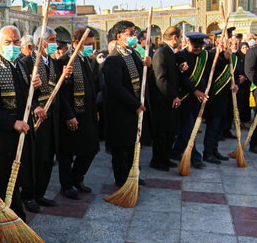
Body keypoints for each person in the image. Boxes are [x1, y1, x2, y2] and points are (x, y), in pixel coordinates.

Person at [0, 26, 42, 225]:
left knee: (16, 175)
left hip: (23, 129)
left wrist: (36, 92)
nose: (13, 46)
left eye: (16, 42)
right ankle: (17, 219)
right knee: (8, 177)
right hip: (4, 134)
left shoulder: (21, 66)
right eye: (8, 42)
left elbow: (27, 98)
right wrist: (12, 122)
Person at [20, 26, 71, 208]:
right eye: (51, 40)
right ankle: (28, 195)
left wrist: (65, 78)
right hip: (35, 120)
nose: (54, 44)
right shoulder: (26, 63)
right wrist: (35, 106)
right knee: (35, 159)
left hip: (52, 118)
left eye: (55, 40)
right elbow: (21, 92)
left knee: (48, 158)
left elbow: (59, 91)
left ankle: (40, 193)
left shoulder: (54, 62)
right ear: (40, 42)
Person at [103, 21, 150, 186]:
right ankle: (122, 180)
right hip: (121, 112)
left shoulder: (133, 54)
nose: (133, 37)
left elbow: (140, 77)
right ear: (119, 36)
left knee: (133, 146)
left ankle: (133, 175)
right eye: (130, 34)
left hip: (134, 109)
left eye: (134, 33)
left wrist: (147, 66)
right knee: (121, 148)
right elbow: (116, 88)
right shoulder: (114, 59)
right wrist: (134, 105)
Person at [55, 28, 99, 199]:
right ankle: (67, 184)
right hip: (73, 114)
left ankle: (77, 178)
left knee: (90, 149)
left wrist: (94, 110)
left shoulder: (86, 59)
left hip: (87, 112)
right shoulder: (65, 61)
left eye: (91, 44)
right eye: (86, 44)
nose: (89, 47)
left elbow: (92, 87)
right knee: (68, 152)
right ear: (76, 42)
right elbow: (61, 92)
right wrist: (68, 115)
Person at [171, 32, 223, 168]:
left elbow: (218, 66)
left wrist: (225, 56)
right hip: (186, 97)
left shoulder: (205, 55)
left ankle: (176, 152)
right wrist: (195, 91)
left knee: (187, 129)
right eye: (195, 46)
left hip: (200, 99)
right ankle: (195, 157)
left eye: (200, 46)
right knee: (189, 129)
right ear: (188, 42)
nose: (198, 49)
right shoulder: (180, 56)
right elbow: (181, 78)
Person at [148, 27, 183, 171]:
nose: (181, 41)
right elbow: (160, 78)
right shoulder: (161, 53)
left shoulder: (169, 52)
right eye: (180, 38)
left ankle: (165, 158)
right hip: (162, 101)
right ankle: (158, 160)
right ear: (174, 38)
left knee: (169, 132)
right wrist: (172, 96)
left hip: (169, 101)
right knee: (161, 134)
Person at [202, 31, 235, 164]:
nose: (230, 45)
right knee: (212, 128)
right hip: (214, 99)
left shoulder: (233, 57)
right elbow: (213, 71)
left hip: (225, 99)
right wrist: (223, 57)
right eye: (228, 42)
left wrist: (235, 84)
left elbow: (233, 74)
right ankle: (208, 153)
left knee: (219, 129)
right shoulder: (211, 55)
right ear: (218, 42)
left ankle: (215, 150)